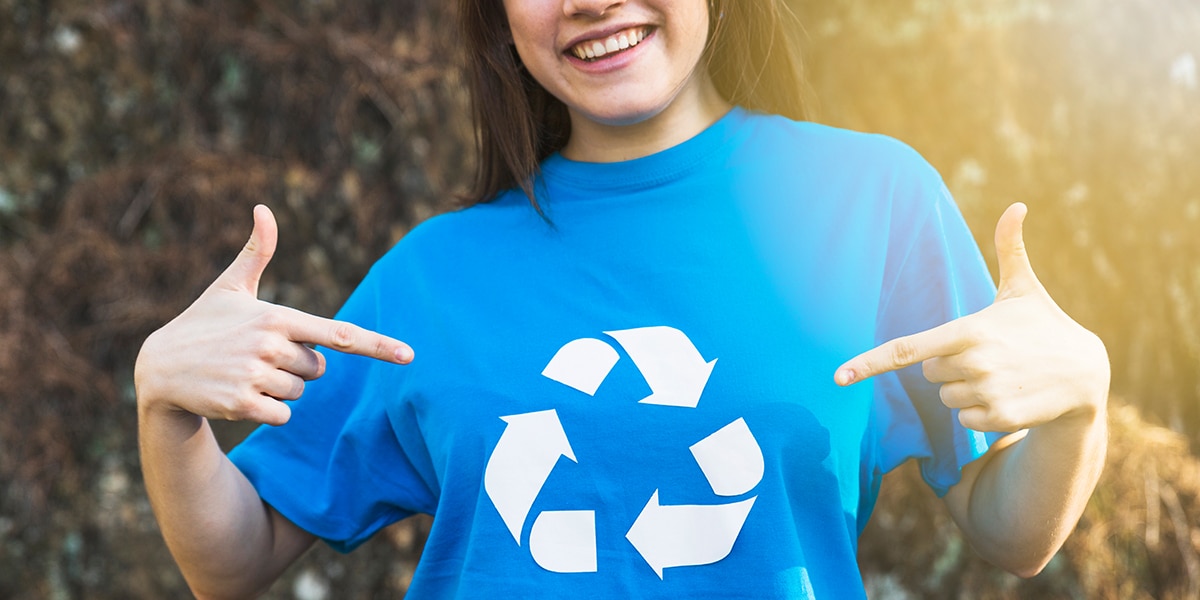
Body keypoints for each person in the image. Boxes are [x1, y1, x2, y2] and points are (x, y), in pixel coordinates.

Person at [135, 0, 1110, 598]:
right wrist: (166, 408)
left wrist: (1082, 403)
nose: (592, 2)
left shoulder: (872, 203)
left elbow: (1010, 532)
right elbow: (234, 559)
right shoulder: (434, 273)